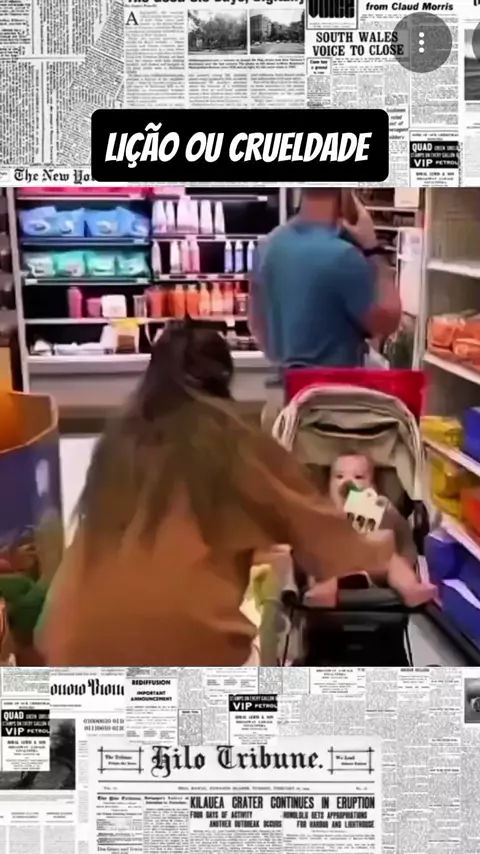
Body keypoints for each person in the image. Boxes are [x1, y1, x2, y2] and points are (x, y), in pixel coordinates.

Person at [36, 322, 405, 667]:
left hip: (68, 641)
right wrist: (386, 546)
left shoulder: (117, 442)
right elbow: (328, 542)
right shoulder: (235, 443)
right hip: (181, 648)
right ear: (224, 377)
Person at [249, 189, 402, 368]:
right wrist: (373, 250)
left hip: (285, 381)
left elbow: (256, 325)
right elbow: (387, 321)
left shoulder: (267, 246)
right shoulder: (344, 257)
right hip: (332, 383)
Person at [305, 453, 437, 609]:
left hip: (373, 565)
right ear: (328, 486)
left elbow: (400, 533)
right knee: (321, 560)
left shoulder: (376, 507)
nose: (347, 482)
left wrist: (385, 513)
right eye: (339, 476)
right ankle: (323, 592)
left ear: (372, 487)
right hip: (335, 566)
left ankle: (411, 589)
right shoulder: (324, 508)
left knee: (394, 561)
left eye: (358, 477)